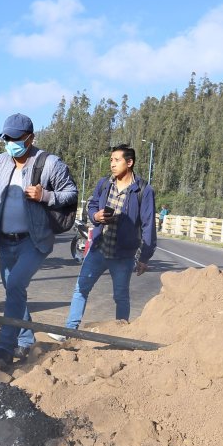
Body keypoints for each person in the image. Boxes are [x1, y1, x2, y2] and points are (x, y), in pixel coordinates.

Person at [0, 113, 77, 367]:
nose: (10, 142)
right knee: (14, 292)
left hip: (34, 240)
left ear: (30, 138)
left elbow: (71, 194)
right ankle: (26, 340)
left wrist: (45, 196)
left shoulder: (50, 163)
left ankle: (4, 349)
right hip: (4, 240)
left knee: (16, 286)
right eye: (6, 138)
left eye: (15, 138)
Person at [50, 144, 156, 340]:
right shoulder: (104, 184)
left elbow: (149, 224)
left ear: (129, 162)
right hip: (98, 248)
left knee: (121, 296)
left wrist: (145, 257)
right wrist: (95, 215)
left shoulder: (143, 190)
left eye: (117, 160)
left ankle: (120, 337)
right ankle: (69, 331)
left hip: (123, 255)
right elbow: (91, 204)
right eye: (111, 160)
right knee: (81, 289)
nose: (112, 164)